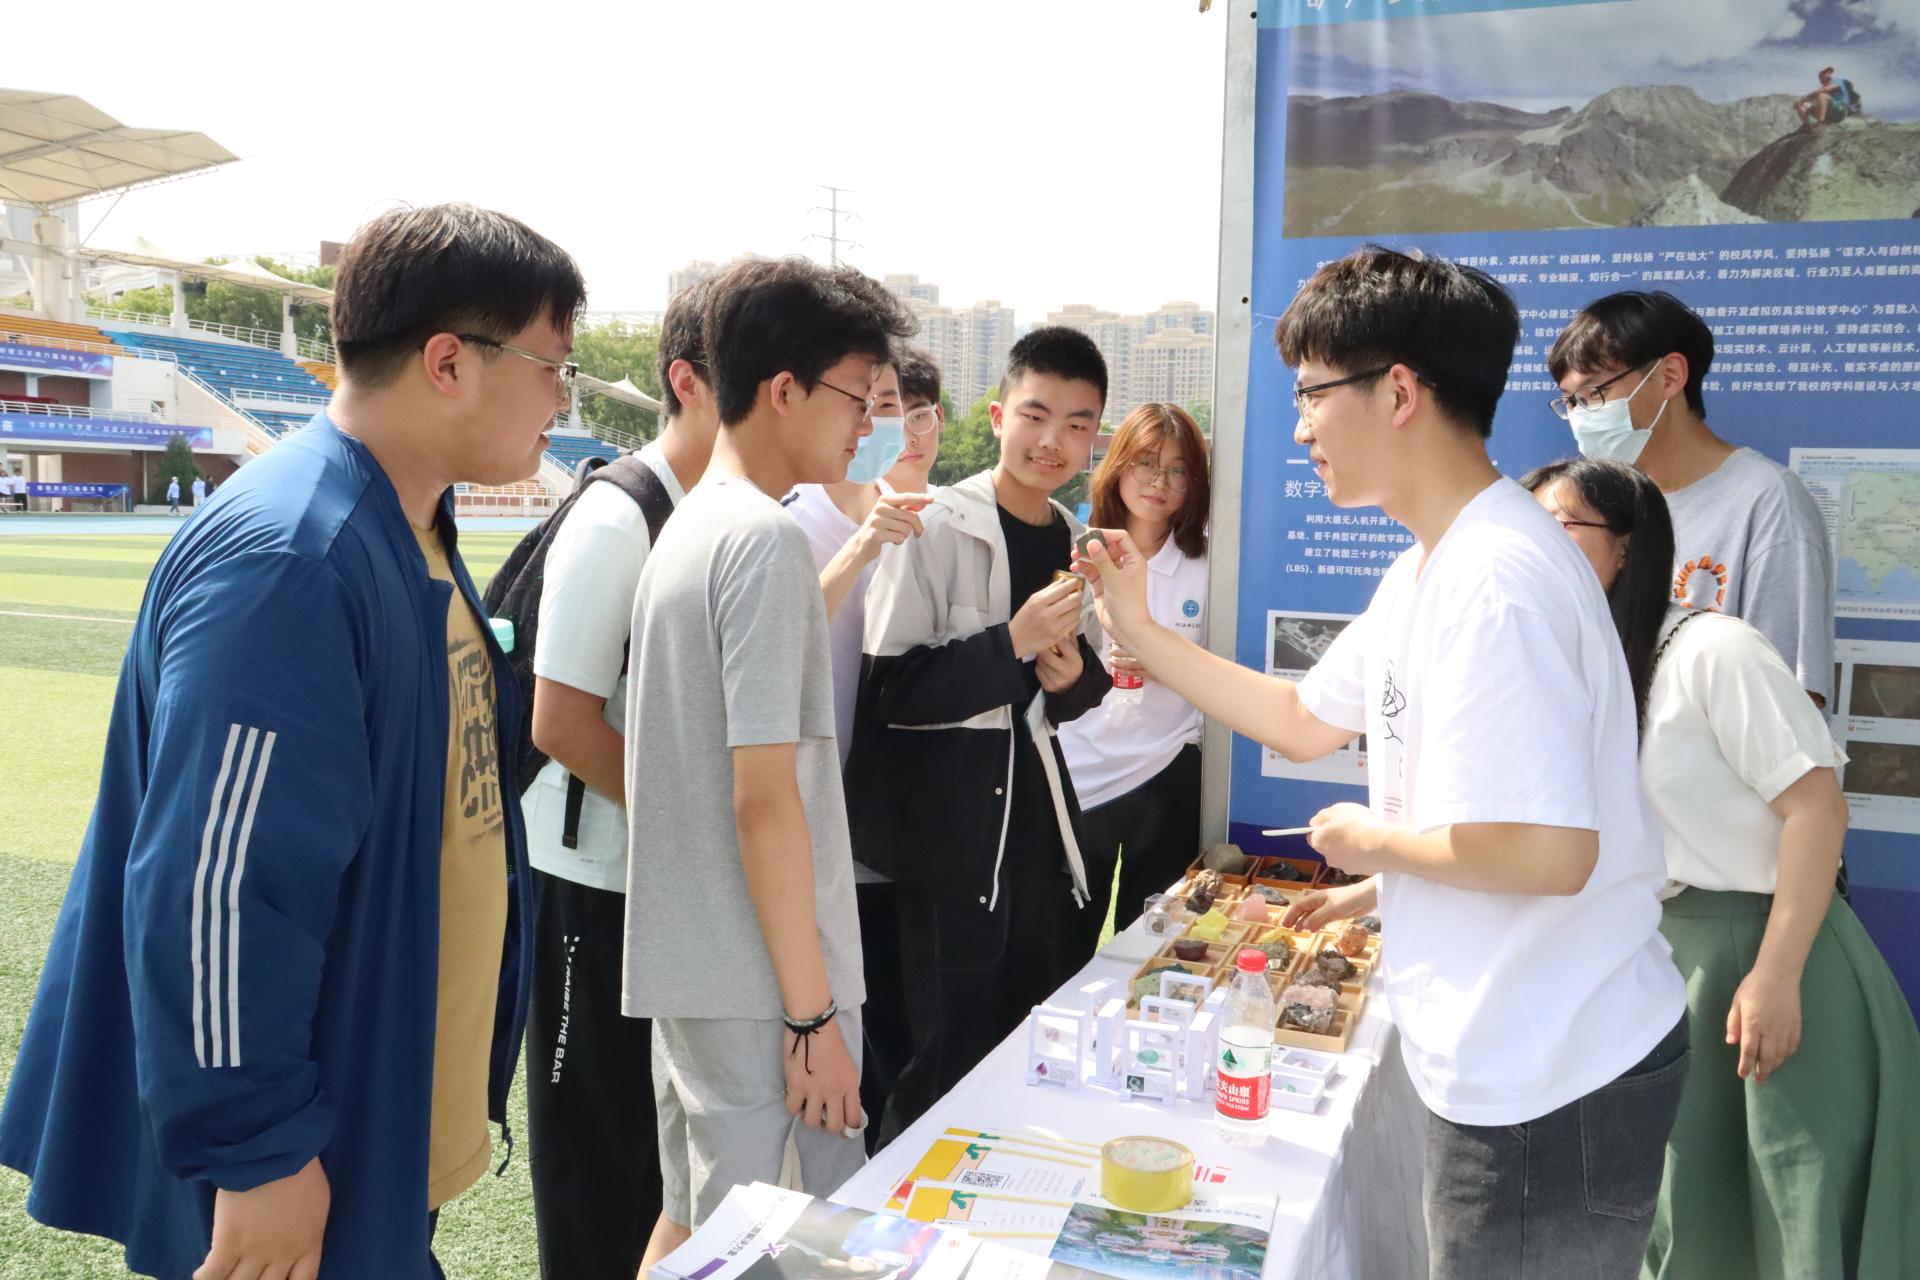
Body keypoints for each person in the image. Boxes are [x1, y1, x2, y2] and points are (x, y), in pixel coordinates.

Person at [1079, 245, 1688, 1279]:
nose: (1302, 427)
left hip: (1553, 1070)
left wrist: (1377, 842)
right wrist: (1137, 628)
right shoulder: (1429, 566)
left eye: (1313, 394)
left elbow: (1550, 854)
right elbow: (1300, 719)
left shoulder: (1497, 578)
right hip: (1512, 1052)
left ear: (1399, 392)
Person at [0, 202, 579, 1278]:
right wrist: (258, 1149)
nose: (563, 401)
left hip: (377, 1115)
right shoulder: (294, 559)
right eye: (555, 367)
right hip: (303, 1149)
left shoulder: (407, 522)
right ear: (449, 362)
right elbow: (216, 884)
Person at [1523, 458, 1920, 1280]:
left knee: (1793, 1212)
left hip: (1770, 954)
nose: (1538, 549)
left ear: (1628, 546)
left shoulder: (1715, 650)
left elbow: (1818, 810)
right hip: (1665, 962)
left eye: (1561, 527)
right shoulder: (1585, 667)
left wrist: (1776, 975)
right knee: (1687, 1214)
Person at [622, 256, 914, 1256]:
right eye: (857, 397)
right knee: (780, 1246)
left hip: (701, 970)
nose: (866, 425)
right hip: (764, 986)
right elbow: (764, 801)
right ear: (784, 388)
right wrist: (812, 1016)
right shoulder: (763, 539)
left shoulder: (695, 523)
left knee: (693, 1231)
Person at [846, 326, 1113, 1145]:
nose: (1052, 440)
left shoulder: (1071, 539)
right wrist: (1012, 643)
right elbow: (886, 691)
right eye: (1036, 415)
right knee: (937, 1067)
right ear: (998, 416)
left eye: (1076, 424)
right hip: (950, 851)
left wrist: (1072, 680)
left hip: (1034, 839)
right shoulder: (935, 525)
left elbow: (1074, 692)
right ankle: (898, 1215)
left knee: (1024, 1049)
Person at [520, 279, 721, 1280]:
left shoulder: (715, 512)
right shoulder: (620, 515)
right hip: (592, 885)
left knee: (661, 1158)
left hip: (661, 876)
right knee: (593, 1161)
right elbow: (559, 720)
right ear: (688, 381)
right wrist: (696, 826)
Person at [780, 346, 945, 1148]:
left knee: (912, 1050)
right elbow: (775, 647)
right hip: (815, 837)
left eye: (914, 412)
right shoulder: (790, 520)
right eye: (878, 406)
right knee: (831, 1054)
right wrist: (863, 547)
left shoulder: (939, 520)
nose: (898, 428)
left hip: (905, 838)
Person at [1549, 291, 1834, 706]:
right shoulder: (1604, 505)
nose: (1581, 415)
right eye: (1571, 401)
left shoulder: (1768, 500)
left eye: (1595, 392)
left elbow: (1792, 696)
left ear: (1670, 376)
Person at [1058, 403, 1211, 940]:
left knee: (1151, 942)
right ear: (1118, 465)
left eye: (1177, 469)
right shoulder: (1080, 552)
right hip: (1082, 772)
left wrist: (1162, 663)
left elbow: (1231, 671)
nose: (1159, 483)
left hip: (1167, 770)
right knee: (1066, 942)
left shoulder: (1209, 564)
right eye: (1146, 463)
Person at [885, 347, 946, 494]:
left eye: (918, 417)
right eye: (892, 423)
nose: (908, 439)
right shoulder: (845, 507)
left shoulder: (956, 505)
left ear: (939, 415)